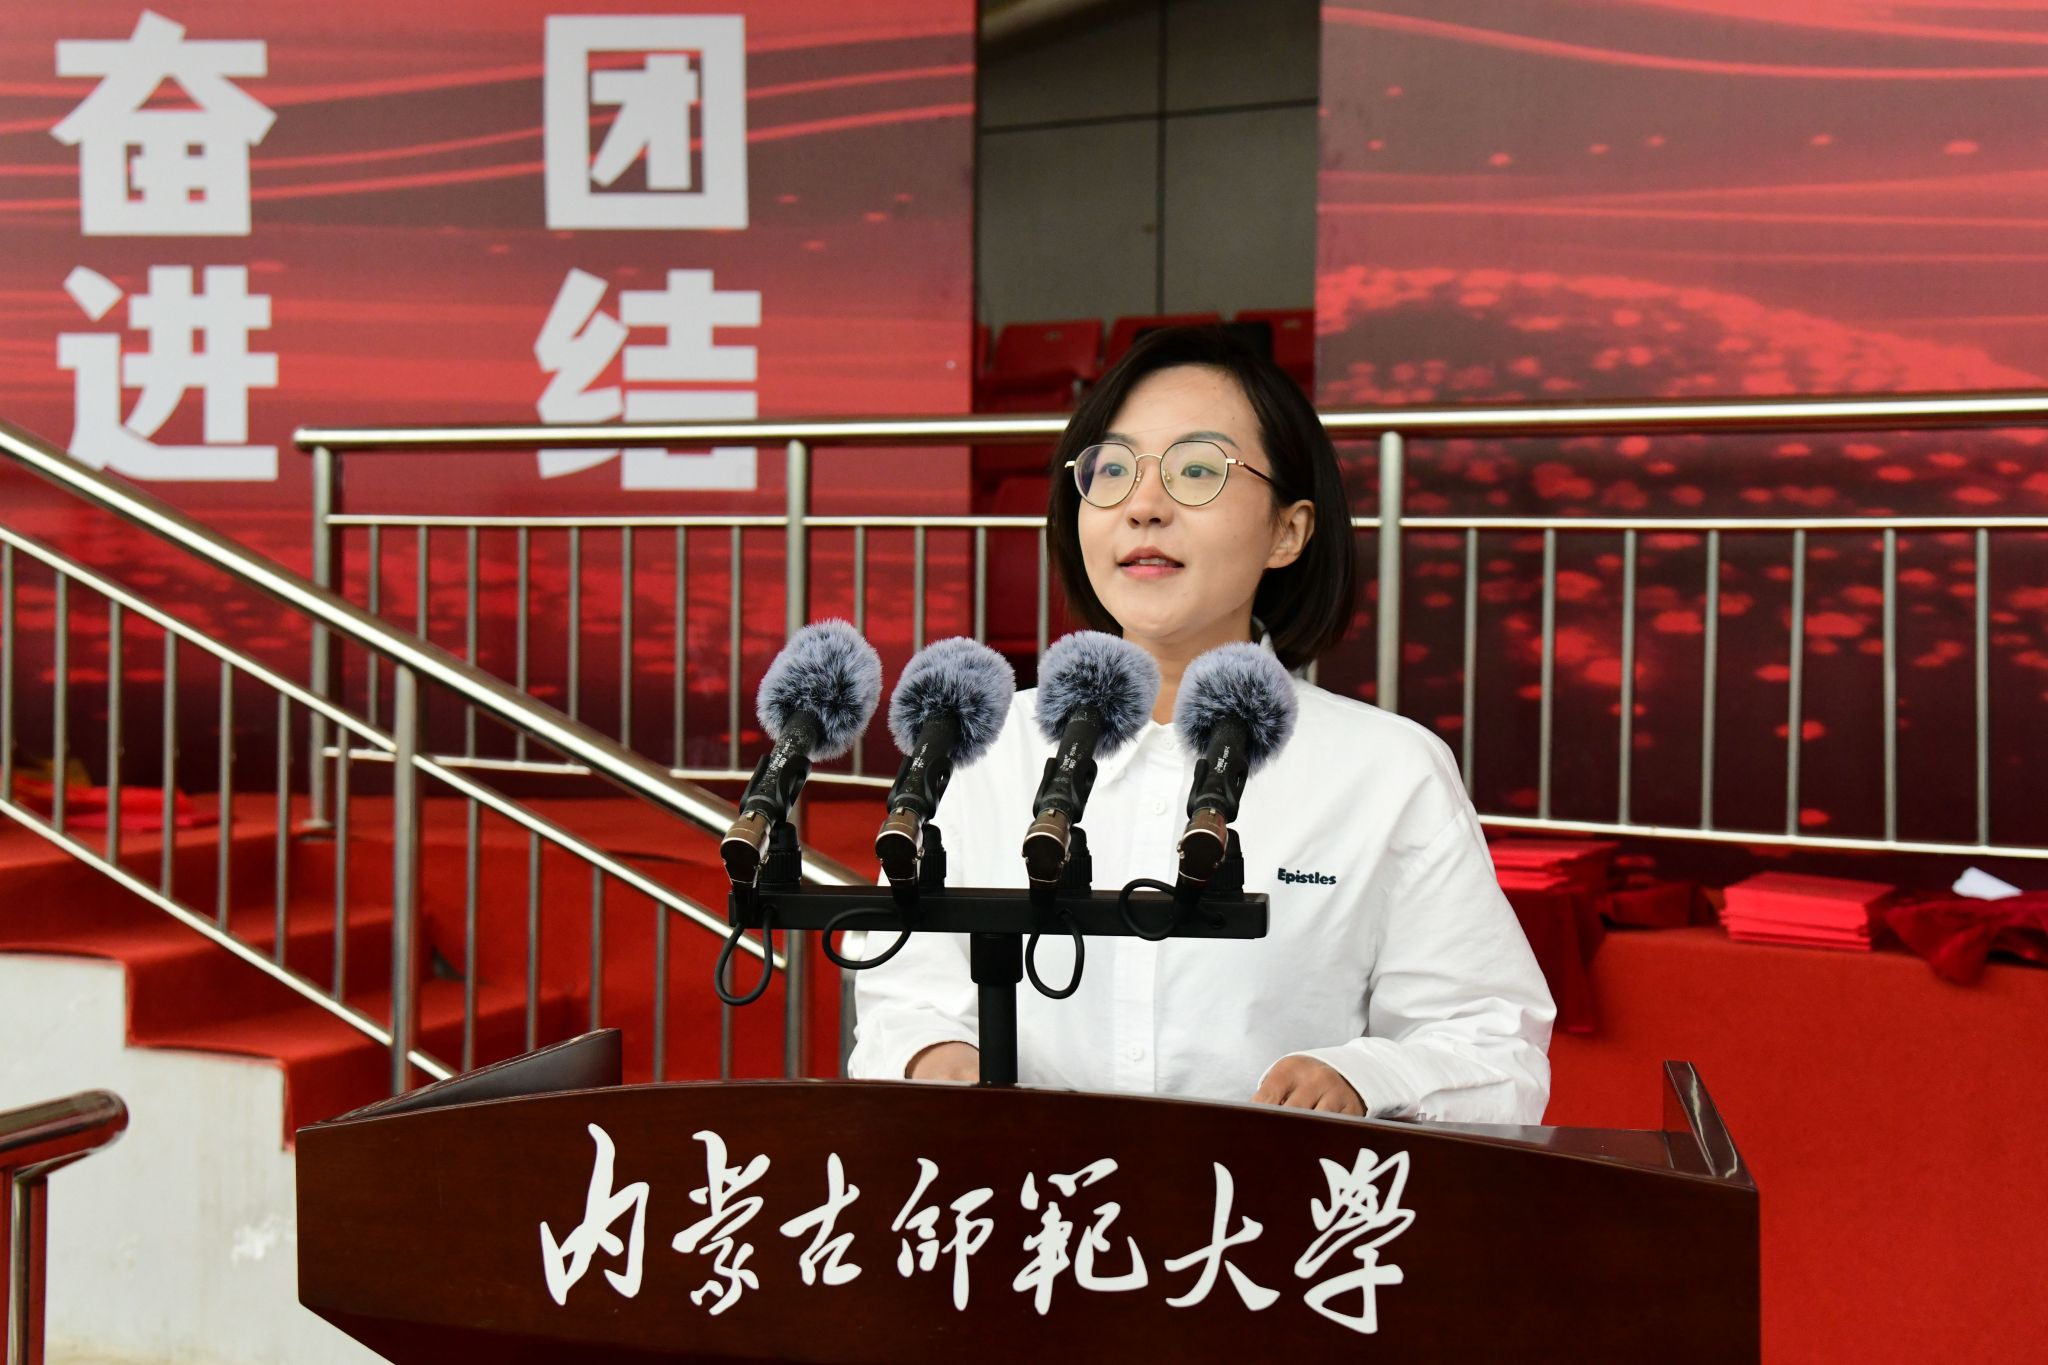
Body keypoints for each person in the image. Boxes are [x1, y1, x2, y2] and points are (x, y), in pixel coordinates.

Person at [847, 325, 1554, 1123]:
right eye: (1113, 470)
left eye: (1196, 470)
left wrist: (1362, 1076)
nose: (1144, 507)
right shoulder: (984, 745)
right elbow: (905, 998)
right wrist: (935, 1058)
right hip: (1032, 1193)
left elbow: (1493, 1044)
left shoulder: (1387, 770)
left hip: (1269, 1196)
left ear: (1288, 530)